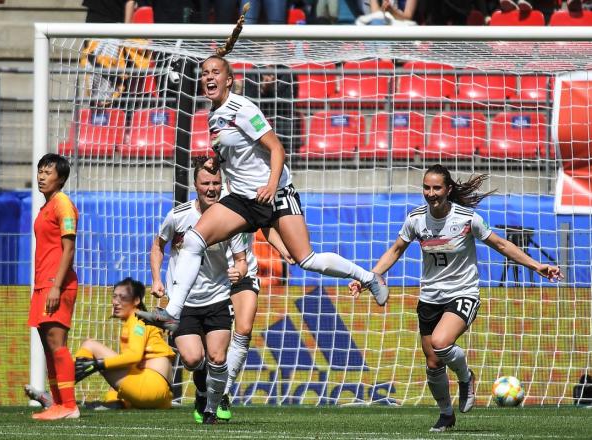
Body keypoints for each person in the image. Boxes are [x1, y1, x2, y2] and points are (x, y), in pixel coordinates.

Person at [141, 9, 388, 333]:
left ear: (229, 79)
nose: (208, 77)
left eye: (215, 72)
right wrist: (216, 162)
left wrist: (272, 185)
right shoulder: (213, 116)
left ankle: (368, 277)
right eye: (204, 73)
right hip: (243, 199)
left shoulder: (243, 108)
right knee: (194, 240)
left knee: (305, 259)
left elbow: (276, 148)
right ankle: (173, 311)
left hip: (275, 193)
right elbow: (232, 155)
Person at [349, 164, 563, 433]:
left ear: (448, 189)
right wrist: (368, 279)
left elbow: (501, 244)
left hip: (463, 293)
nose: (430, 193)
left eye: (436, 187)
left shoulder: (467, 218)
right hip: (429, 296)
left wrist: (536, 266)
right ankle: (446, 414)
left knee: (440, 343)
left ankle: (466, 377)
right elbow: (395, 251)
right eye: (426, 187)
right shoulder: (415, 219)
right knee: (433, 362)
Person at [141, 156, 248, 424]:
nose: (212, 188)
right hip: (183, 301)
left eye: (216, 183)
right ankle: (202, 391)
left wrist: (239, 271)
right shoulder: (177, 216)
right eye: (206, 183)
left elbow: (241, 260)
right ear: (195, 185)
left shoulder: (231, 219)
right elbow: (158, 246)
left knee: (217, 358)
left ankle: (210, 410)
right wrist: (156, 279)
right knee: (192, 359)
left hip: (217, 297)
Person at [26, 277, 176, 410]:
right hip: (160, 396)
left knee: (90, 345)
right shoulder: (136, 321)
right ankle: (111, 403)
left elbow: (134, 357)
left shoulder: (137, 321)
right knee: (112, 381)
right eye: (115, 297)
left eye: (122, 298)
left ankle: (59, 397)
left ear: (136, 300)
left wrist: (99, 364)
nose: (116, 302)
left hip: (151, 388)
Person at [27, 153, 80, 420]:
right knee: (48, 345)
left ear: (60, 178)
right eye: (40, 171)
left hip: (56, 284)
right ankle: (58, 403)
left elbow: (68, 248)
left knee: (57, 344)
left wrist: (56, 286)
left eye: (47, 172)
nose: (41, 176)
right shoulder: (46, 207)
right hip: (43, 284)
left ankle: (69, 405)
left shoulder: (63, 205)